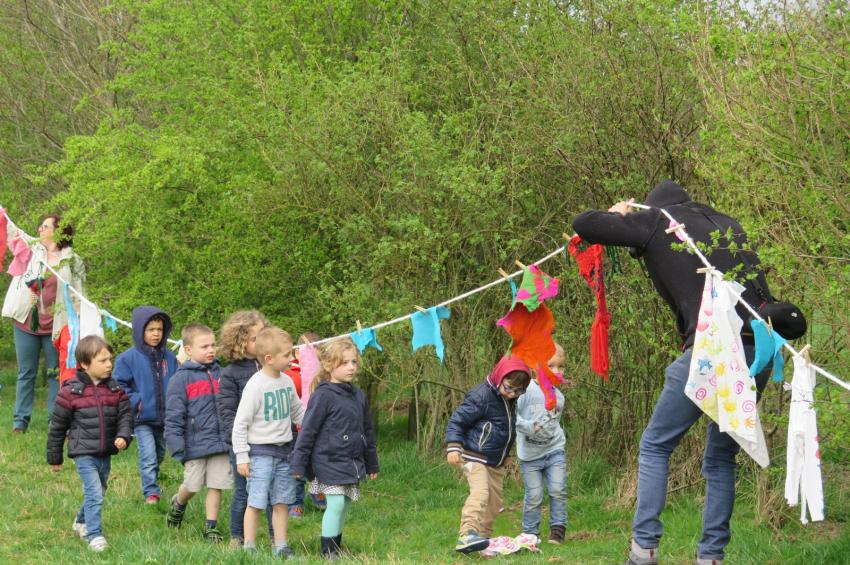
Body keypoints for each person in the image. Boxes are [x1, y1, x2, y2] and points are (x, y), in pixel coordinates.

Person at [572, 180, 774, 565]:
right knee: (720, 459)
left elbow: (584, 223)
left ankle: (643, 550)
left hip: (712, 350)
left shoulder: (658, 221)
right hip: (758, 350)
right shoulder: (727, 224)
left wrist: (618, 215)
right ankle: (711, 557)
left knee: (655, 445)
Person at [290, 337, 379, 560]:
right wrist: (299, 462)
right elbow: (308, 431)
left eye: (354, 362)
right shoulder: (323, 395)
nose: (351, 367)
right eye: (344, 363)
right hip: (327, 460)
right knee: (336, 503)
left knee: (345, 503)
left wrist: (371, 462)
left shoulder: (359, 396)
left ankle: (336, 545)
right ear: (330, 366)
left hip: (351, 460)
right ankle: (327, 552)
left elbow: (366, 431)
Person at [46, 335, 133, 552]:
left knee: (100, 490)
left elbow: (126, 416)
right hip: (83, 452)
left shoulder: (115, 389)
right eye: (102, 361)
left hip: (106, 451)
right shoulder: (70, 392)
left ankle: (81, 521)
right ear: (85, 364)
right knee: (94, 492)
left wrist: (124, 435)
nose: (109, 365)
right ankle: (95, 535)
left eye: (110, 359)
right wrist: (54, 457)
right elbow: (57, 427)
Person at [3, 214, 85, 432]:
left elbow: (79, 294)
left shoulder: (72, 260)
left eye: (45, 226)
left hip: (56, 327)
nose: (40, 229)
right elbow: (13, 232)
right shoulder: (33, 250)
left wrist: (80, 320)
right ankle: (20, 422)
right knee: (26, 372)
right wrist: (2, 214)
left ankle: (54, 421)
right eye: (40, 226)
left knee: (54, 374)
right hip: (27, 323)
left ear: (58, 231)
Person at [445, 355, 532, 554]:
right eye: (509, 388)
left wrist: (506, 454)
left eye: (518, 391)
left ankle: (481, 541)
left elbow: (505, 429)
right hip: (473, 456)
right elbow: (457, 421)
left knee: (494, 502)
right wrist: (453, 445)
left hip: (495, 461)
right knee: (480, 493)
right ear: (499, 376)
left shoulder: (510, 400)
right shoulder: (481, 396)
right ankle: (467, 533)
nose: (512, 394)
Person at [232, 327, 304, 557]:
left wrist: (315, 427)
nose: (292, 358)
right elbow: (240, 424)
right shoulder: (256, 385)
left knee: (282, 501)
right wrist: (242, 456)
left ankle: (280, 546)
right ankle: (249, 548)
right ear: (269, 358)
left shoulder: (287, 382)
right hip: (260, 454)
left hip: (285, 453)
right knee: (256, 502)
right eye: (286, 355)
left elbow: (298, 413)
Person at [164, 323, 232, 542]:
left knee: (217, 484)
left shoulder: (223, 374)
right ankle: (179, 503)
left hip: (221, 441)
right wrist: (176, 445)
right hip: (194, 443)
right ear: (189, 349)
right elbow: (173, 416)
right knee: (192, 484)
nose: (211, 350)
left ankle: (210, 527)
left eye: (213, 345)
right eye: (204, 346)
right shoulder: (180, 379)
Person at [215, 309, 271, 547]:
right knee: (243, 492)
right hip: (243, 445)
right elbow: (227, 414)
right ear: (240, 340)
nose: (259, 342)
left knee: (271, 493)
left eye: (262, 336)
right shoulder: (230, 374)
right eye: (254, 338)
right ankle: (237, 537)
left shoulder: (270, 366)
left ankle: (275, 536)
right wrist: (239, 446)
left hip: (269, 442)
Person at [113, 307, 179, 504]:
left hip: (165, 417)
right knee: (148, 455)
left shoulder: (169, 358)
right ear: (140, 330)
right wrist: (137, 401)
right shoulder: (128, 359)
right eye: (151, 329)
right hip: (142, 419)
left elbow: (177, 381)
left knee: (158, 454)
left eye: (159, 329)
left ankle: (152, 479)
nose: (156, 334)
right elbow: (118, 385)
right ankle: (151, 492)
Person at [516, 342, 568, 544]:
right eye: (550, 365)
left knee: (557, 489)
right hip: (529, 455)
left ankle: (558, 530)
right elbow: (512, 417)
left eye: (560, 366)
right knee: (535, 495)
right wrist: (529, 427)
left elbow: (553, 423)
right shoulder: (526, 390)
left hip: (554, 449)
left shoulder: (560, 396)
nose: (556, 370)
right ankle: (530, 534)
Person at [286, 331, 325, 518]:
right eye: (309, 350)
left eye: (318, 348)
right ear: (296, 353)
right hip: (296, 430)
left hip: (319, 428)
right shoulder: (290, 376)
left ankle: (318, 493)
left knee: (319, 463)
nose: (313, 353)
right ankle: (296, 502)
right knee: (298, 466)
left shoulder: (322, 374)